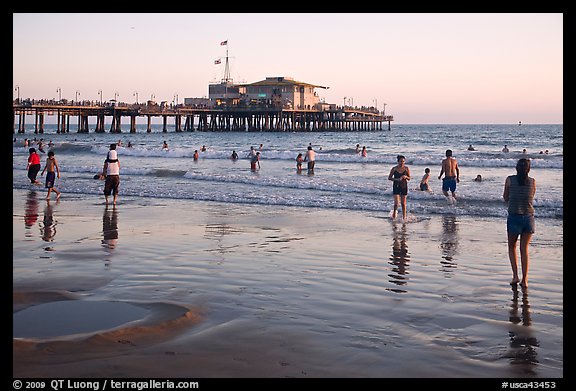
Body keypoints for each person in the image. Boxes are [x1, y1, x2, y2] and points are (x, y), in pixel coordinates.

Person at [503, 158, 536, 289]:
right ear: (528, 169)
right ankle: (525, 279)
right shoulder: (532, 182)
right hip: (528, 218)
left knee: (512, 247)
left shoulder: (510, 180)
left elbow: (505, 198)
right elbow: (531, 197)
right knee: (524, 250)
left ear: (516, 168)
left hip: (514, 217)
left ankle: (515, 276)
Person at [388, 155, 411, 220]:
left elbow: (409, 178)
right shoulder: (394, 168)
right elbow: (389, 178)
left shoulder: (406, 168)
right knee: (396, 203)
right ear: (398, 162)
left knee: (403, 203)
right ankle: (394, 214)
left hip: (404, 186)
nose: (402, 163)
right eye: (401, 161)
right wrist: (397, 179)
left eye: (403, 161)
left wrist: (406, 177)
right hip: (396, 186)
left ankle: (404, 217)